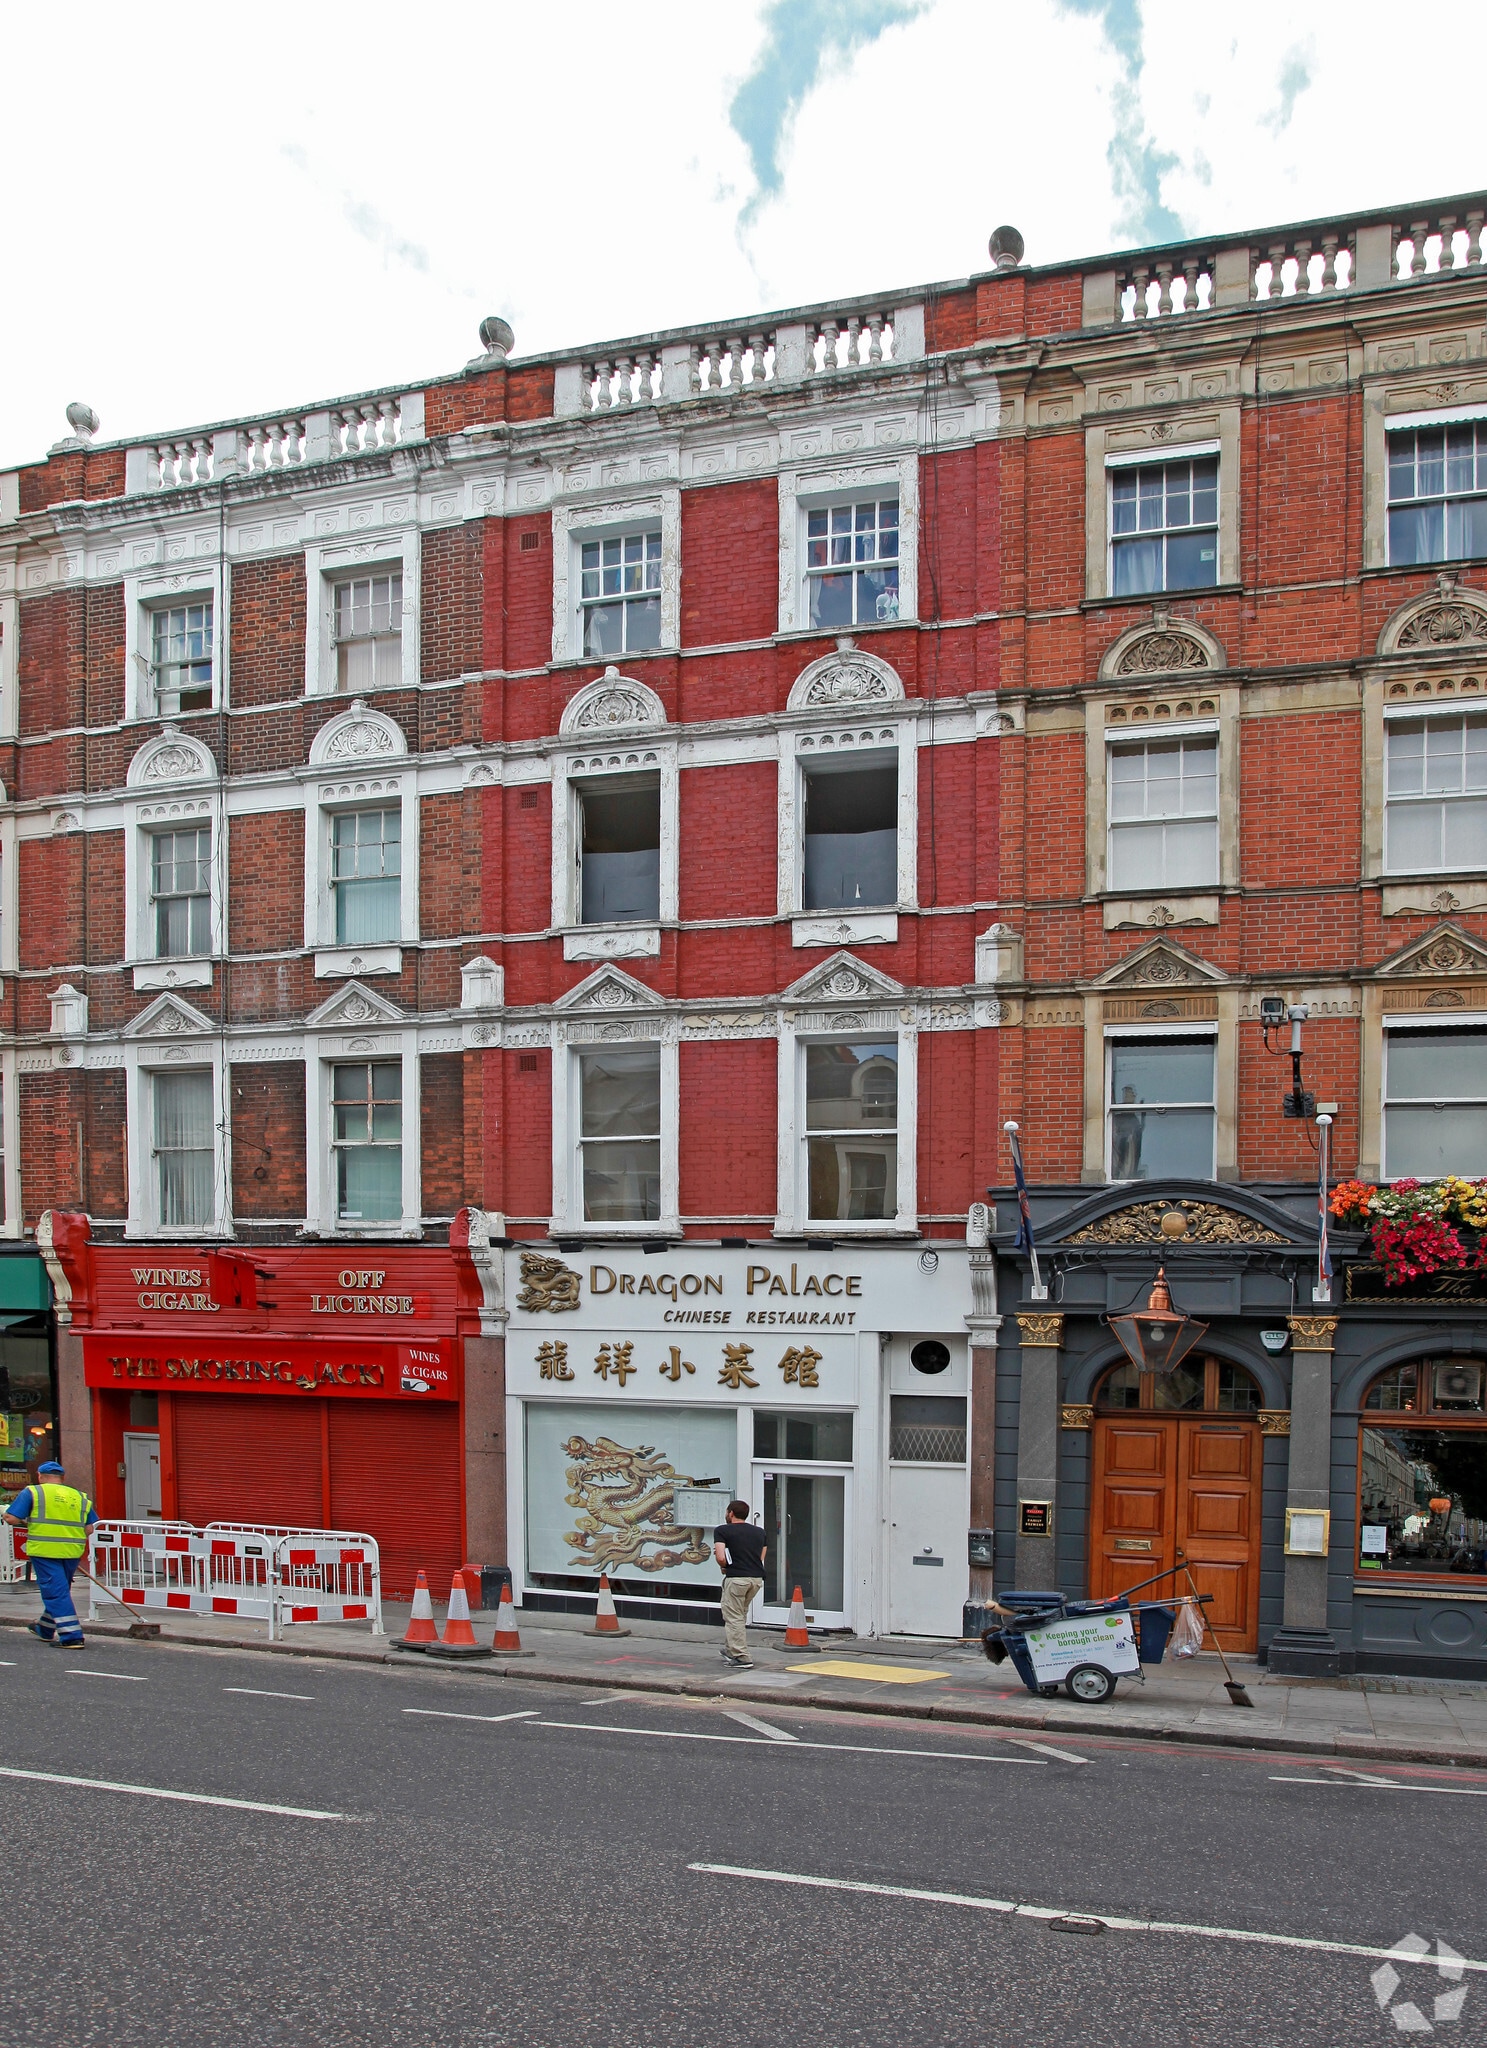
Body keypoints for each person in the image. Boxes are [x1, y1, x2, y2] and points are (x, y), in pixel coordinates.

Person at [3, 1461, 98, 1647]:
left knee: (55, 1593)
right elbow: (89, 1528)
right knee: (60, 1590)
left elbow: (10, 1517)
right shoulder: (79, 1496)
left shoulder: (34, 1492)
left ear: (40, 1475)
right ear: (62, 1478)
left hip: (45, 1550)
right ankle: (45, 1628)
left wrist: (30, 1522)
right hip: (71, 1551)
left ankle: (72, 1636)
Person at [712, 1501, 766, 1670]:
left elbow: (721, 1557)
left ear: (731, 1513)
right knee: (739, 1614)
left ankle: (742, 1656)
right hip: (756, 1579)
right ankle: (730, 1650)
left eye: (727, 1511)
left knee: (732, 1616)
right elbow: (761, 1557)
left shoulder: (722, 1530)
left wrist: (725, 1566)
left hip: (736, 1579)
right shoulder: (760, 1532)